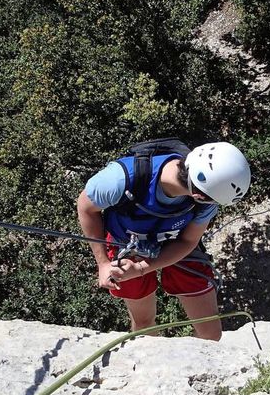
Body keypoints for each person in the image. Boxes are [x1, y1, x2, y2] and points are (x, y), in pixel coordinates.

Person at [76, 141, 251, 341]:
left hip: (175, 243)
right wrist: (103, 263)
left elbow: (187, 241)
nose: (213, 205)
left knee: (211, 334)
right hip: (126, 245)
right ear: (199, 195)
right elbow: (86, 208)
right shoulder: (119, 179)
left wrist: (142, 268)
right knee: (143, 325)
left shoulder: (204, 202)